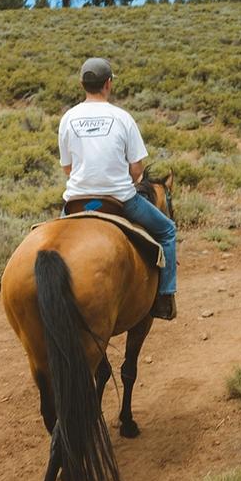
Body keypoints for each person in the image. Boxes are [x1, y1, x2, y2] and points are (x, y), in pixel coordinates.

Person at [58, 57, 177, 320]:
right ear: (108, 84)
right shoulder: (123, 118)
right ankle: (164, 296)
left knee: (55, 244)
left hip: (76, 201)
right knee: (168, 231)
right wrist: (127, 180)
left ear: (82, 84)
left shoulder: (68, 118)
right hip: (119, 201)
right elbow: (137, 169)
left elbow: (67, 168)